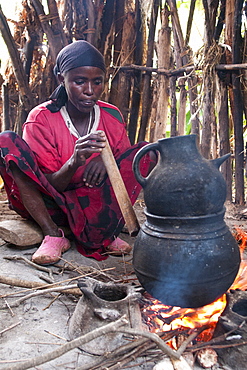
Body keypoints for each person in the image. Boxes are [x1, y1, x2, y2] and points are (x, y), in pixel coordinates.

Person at [0, 40, 152, 265]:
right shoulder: (41, 119)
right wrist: (74, 162)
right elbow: (50, 186)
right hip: (54, 206)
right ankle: (53, 234)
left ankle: (103, 230)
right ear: (62, 79)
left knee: (145, 152)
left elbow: (125, 170)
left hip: (95, 206)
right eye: (80, 82)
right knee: (5, 141)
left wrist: (107, 162)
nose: (90, 91)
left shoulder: (111, 116)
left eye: (97, 82)